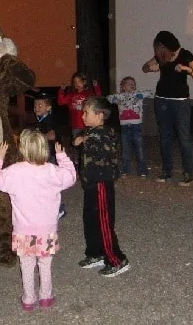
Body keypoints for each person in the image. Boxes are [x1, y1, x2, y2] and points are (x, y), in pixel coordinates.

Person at [0, 130, 76, 311]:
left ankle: (28, 299)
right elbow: (71, 177)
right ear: (45, 149)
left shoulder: (15, 172)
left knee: (26, 264)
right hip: (46, 230)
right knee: (45, 263)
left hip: (24, 230)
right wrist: (62, 157)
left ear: (22, 149)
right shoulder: (52, 171)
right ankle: (46, 296)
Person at [73, 96, 130, 277]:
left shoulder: (104, 133)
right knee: (89, 219)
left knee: (103, 221)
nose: (82, 116)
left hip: (101, 183)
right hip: (90, 183)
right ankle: (95, 252)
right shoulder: (91, 131)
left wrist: (83, 139)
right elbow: (79, 138)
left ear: (99, 115)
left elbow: (99, 141)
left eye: (86, 113)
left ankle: (116, 259)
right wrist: (81, 137)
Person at [142, 31, 193, 186]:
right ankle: (166, 171)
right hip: (161, 100)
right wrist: (152, 67)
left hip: (180, 102)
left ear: (167, 46)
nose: (157, 51)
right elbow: (144, 68)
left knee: (184, 138)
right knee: (164, 137)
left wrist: (185, 69)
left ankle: (188, 173)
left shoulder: (186, 55)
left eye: (159, 47)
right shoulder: (161, 57)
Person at [29, 93, 67, 218]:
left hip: (51, 154)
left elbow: (52, 135)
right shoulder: (39, 120)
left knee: (52, 182)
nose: (37, 107)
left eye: (40, 105)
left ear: (49, 107)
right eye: (35, 105)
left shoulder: (50, 120)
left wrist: (35, 137)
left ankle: (59, 208)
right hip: (43, 154)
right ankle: (46, 207)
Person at [107, 76, 153, 177]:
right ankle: (126, 169)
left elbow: (150, 92)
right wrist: (115, 100)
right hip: (124, 126)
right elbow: (108, 98)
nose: (132, 85)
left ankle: (142, 170)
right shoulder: (120, 96)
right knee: (125, 150)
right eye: (129, 84)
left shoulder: (137, 93)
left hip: (136, 125)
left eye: (133, 84)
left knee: (139, 148)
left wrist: (141, 95)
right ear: (123, 86)